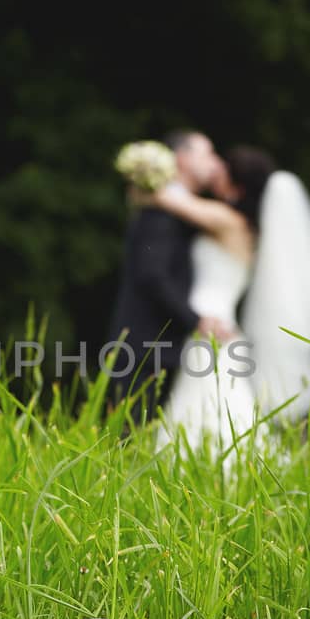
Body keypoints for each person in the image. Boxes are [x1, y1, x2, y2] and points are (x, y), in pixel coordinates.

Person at [144, 146, 310, 452]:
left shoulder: (226, 221)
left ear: (238, 187)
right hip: (219, 322)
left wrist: (144, 172)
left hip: (209, 321)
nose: (217, 175)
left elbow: (164, 198)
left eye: (223, 173)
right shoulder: (247, 230)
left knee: (209, 396)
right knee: (213, 396)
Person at [103, 130, 230, 421]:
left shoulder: (168, 206)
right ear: (182, 159)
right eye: (206, 153)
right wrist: (196, 320)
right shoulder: (160, 213)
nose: (214, 162)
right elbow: (153, 276)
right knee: (131, 435)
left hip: (166, 343)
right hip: (147, 343)